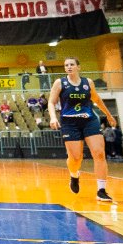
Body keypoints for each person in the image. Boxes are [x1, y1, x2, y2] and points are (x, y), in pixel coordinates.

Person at [48, 57, 116, 202]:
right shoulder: (60, 83)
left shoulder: (88, 83)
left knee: (99, 153)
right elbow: (51, 102)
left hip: (89, 120)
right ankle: (74, 175)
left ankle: (101, 190)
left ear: (78, 67)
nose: (69, 67)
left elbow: (97, 100)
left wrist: (109, 115)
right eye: (66, 65)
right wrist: (53, 117)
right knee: (76, 157)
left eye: (72, 64)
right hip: (69, 122)